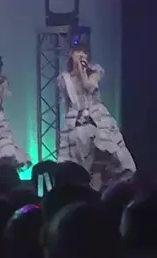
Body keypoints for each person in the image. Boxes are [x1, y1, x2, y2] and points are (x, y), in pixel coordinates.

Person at [58, 43, 135, 185]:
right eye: (78, 52)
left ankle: (99, 191)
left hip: (98, 121)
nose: (82, 55)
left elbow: (90, 87)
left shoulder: (95, 71)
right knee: (80, 163)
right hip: (77, 123)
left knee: (99, 160)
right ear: (71, 54)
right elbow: (69, 102)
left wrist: (82, 71)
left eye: (85, 52)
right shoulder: (65, 78)